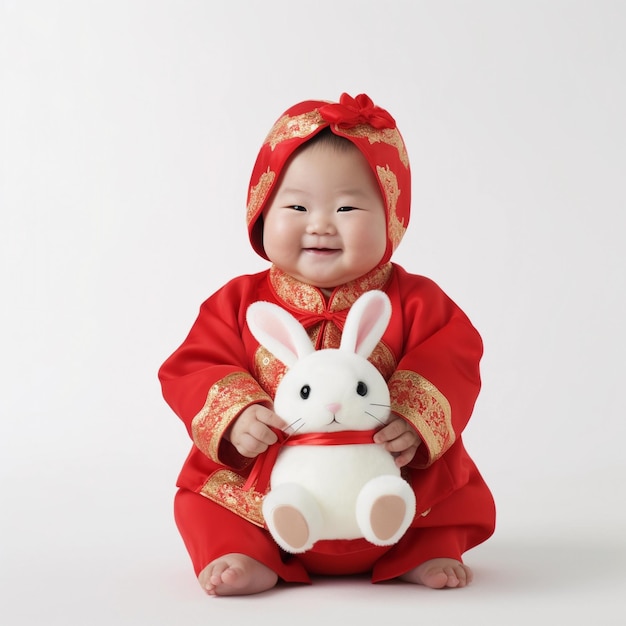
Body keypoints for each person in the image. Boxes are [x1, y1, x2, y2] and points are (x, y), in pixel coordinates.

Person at [158, 92, 496, 597]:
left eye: (347, 206)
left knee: (447, 487)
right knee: (202, 497)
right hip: (270, 494)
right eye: (296, 205)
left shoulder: (416, 301)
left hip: (389, 482)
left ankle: (421, 549)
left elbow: (456, 355)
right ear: (262, 209)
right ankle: (248, 551)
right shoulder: (238, 304)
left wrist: (410, 415)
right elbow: (192, 364)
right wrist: (237, 414)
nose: (319, 223)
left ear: (392, 218)